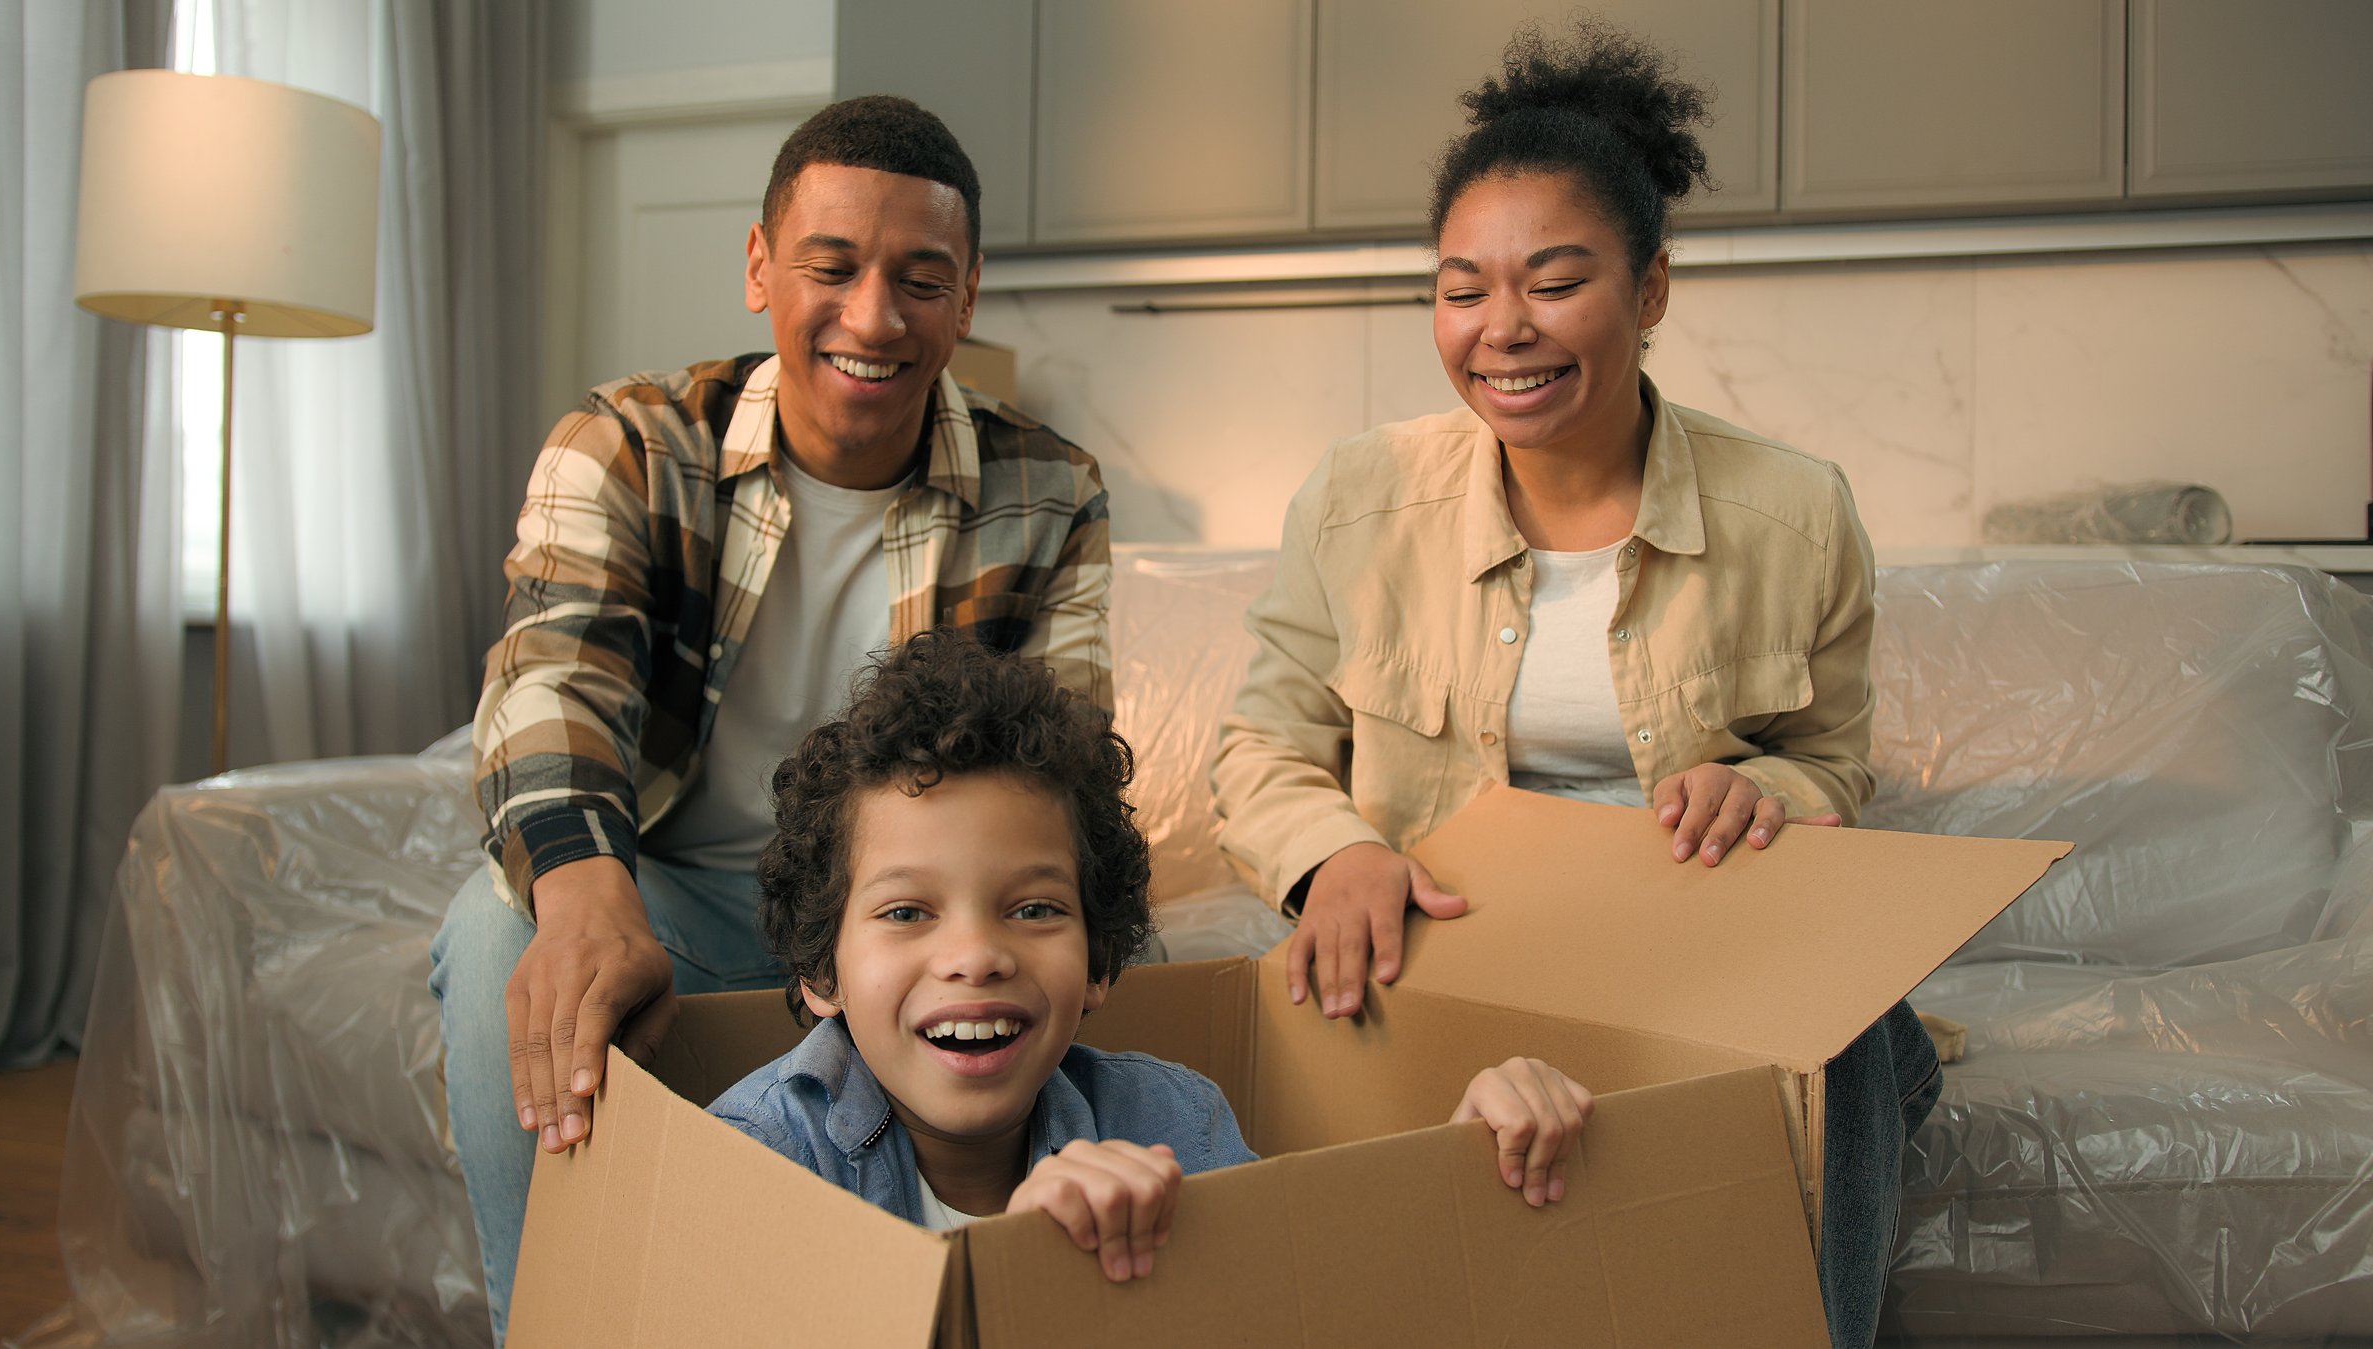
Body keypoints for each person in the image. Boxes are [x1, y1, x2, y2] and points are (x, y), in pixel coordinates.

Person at [1208, 23, 1934, 1349]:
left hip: (1701, 946)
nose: (1503, 332)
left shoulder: (1797, 512)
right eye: (1461, 290)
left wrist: (1760, 786)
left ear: (1650, 290)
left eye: (1553, 282)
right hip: (1454, 942)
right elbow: (1261, 748)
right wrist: (1331, 857)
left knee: (1868, 1029)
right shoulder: (1359, 497)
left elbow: (1835, 764)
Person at [427, 96, 1113, 1342]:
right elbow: (552, 683)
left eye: (921, 279)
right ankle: (553, 1318)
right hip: (679, 899)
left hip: (901, 916)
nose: (872, 317)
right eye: (831, 267)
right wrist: (585, 897)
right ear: (759, 268)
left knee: (1125, 956)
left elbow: (1061, 761)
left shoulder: (1049, 486)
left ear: (965, 300)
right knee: (496, 941)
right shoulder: (628, 445)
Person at [711, 630, 1597, 1277]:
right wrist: (1009, 1280)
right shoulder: (755, 1162)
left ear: (1099, 962)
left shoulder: (1170, 1118)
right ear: (821, 970)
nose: (975, 954)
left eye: (1033, 907)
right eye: (907, 910)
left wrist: (1458, 1168)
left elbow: (1307, 1303)